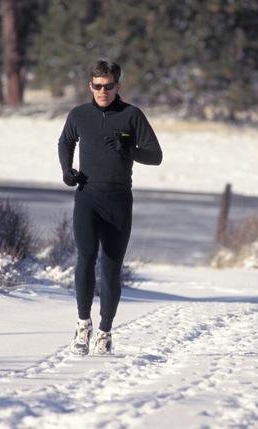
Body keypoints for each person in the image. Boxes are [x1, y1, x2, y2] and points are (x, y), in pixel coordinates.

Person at [58, 59, 163, 355]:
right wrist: (67, 170)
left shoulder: (132, 115)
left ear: (118, 86)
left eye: (109, 86)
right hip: (87, 197)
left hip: (118, 200)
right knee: (85, 259)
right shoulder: (79, 114)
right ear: (90, 85)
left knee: (111, 268)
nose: (103, 91)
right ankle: (82, 327)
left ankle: (105, 331)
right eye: (97, 86)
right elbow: (65, 142)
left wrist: (129, 149)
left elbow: (155, 155)